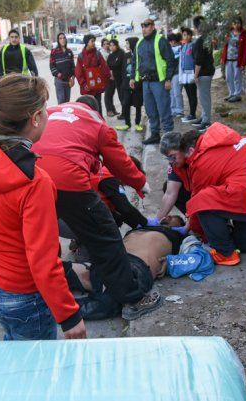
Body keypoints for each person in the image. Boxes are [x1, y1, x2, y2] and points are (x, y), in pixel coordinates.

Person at [0, 74, 86, 341]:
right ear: (35, 118)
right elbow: (43, 259)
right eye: (45, 110)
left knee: (15, 350)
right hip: (22, 295)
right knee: (35, 371)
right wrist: (69, 316)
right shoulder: (35, 183)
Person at [32, 96, 162, 321]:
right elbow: (119, 160)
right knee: (107, 236)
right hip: (67, 178)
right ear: (96, 110)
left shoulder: (51, 112)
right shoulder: (96, 123)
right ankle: (133, 299)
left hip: (30, 176)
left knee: (39, 239)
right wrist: (141, 183)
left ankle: (39, 293)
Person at [159, 125, 246, 265]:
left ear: (190, 150)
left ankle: (226, 253)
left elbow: (197, 205)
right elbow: (170, 191)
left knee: (202, 202)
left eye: (174, 157)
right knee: (244, 243)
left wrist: (194, 231)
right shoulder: (216, 142)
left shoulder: (203, 162)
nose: (173, 162)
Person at [62, 216, 187, 319]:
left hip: (136, 267)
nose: (168, 216)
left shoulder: (178, 237)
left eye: (174, 218)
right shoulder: (141, 224)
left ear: (180, 226)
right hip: (109, 261)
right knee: (61, 270)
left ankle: (58, 309)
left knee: (107, 303)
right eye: (168, 215)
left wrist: (171, 261)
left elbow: (198, 256)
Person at [130, 18, 177, 145]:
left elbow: (170, 60)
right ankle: (155, 134)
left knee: (164, 109)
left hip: (159, 82)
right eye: (142, 26)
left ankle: (169, 137)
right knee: (150, 110)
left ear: (152, 26)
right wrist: (133, 77)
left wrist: (168, 78)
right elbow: (135, 62)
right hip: (146, 82)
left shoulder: (160, 41)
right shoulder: (140, 43)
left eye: (146, 25)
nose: (144, 28)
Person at [186, 16, 215, 130]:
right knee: (203, 96)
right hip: (207, 71)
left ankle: (206, 121)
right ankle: (203, 117)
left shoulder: (200, 41)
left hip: (203, 73)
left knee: (204, 97)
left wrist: (195, 75)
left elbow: (199, 61)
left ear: (197, 27)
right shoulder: (207, 39)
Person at [75, 35, 111, 114]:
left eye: (94, 41)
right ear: (87, 42)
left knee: (98, 106)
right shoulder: (81, 56)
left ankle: (100, 124)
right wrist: (84, 84)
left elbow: (105, 69)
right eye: (92, 41)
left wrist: (104, 82)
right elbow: (78, 73)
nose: (94, 43)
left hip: (97, 87)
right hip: (87, 89)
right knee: (88, 108)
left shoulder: (98, 54)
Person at [117, 37, 144, 132]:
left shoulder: (140, 54)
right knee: (126, 104)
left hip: (137, 84)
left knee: (137, 104)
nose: (126, 45)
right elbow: (123, 70)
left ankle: (137, 123)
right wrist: (124, 82)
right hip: (126, 84)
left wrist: (138, 82)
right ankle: (127, 124)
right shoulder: (126, 55)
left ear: (133, 44)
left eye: (128, 43)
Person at [220, 16, 246, 103]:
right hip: (228, 59)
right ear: (232, 24)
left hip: (237, 60)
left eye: (238, 23)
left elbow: (245, 50)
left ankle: (237, 95)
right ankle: (231, 93)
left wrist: (243, 63)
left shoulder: (243, 34)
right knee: (228, 77)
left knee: (237, 77)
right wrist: (222, 58)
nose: (236, 25)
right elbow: (225, 46)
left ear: (241, 23)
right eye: (235, 23)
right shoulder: (228, 33)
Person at [178, 28, 198, 124]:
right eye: (183, 35)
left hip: (191, 74)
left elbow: (196, 60)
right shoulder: (183, 46)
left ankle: (193, 114)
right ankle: (190, 114)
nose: (185, 37)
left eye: (186, 35)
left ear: (190, 36)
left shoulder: (193, 46)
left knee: (192, 94)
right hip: (184, 74)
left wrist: (195, 74)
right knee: (189, 95)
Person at [49, 32, 75, 104]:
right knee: (61, 101)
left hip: (68, 81)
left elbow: (73, 67)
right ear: (58, 40)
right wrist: (59, 74)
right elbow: (52, 66)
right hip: (59, 81)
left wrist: (73, 78)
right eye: (60, 38)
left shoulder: (69, 51)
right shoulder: (54, 52)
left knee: (67, 102)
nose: (62, 40)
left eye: (64, 38)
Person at [105, 39, 125, 117]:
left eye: (113, 45)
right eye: (110, 45)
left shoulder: (121, 53)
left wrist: (112, 66)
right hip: (113, 79)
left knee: (122, 96)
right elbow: (108, 66)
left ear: (117, 45)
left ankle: (124, 113)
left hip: (121, 78)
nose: (112, 47)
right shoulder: (110, 55)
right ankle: (113, 110)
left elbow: (117, 64)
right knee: (112, 95)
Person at [168, 33, 184, 118]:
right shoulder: (172, 49)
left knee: (177, 93)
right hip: (172, 74)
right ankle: (173, 109)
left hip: (177, 73)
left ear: (173, 41)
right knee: (172, 93)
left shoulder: (179, 49)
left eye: (169, 42)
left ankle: (180, 110)